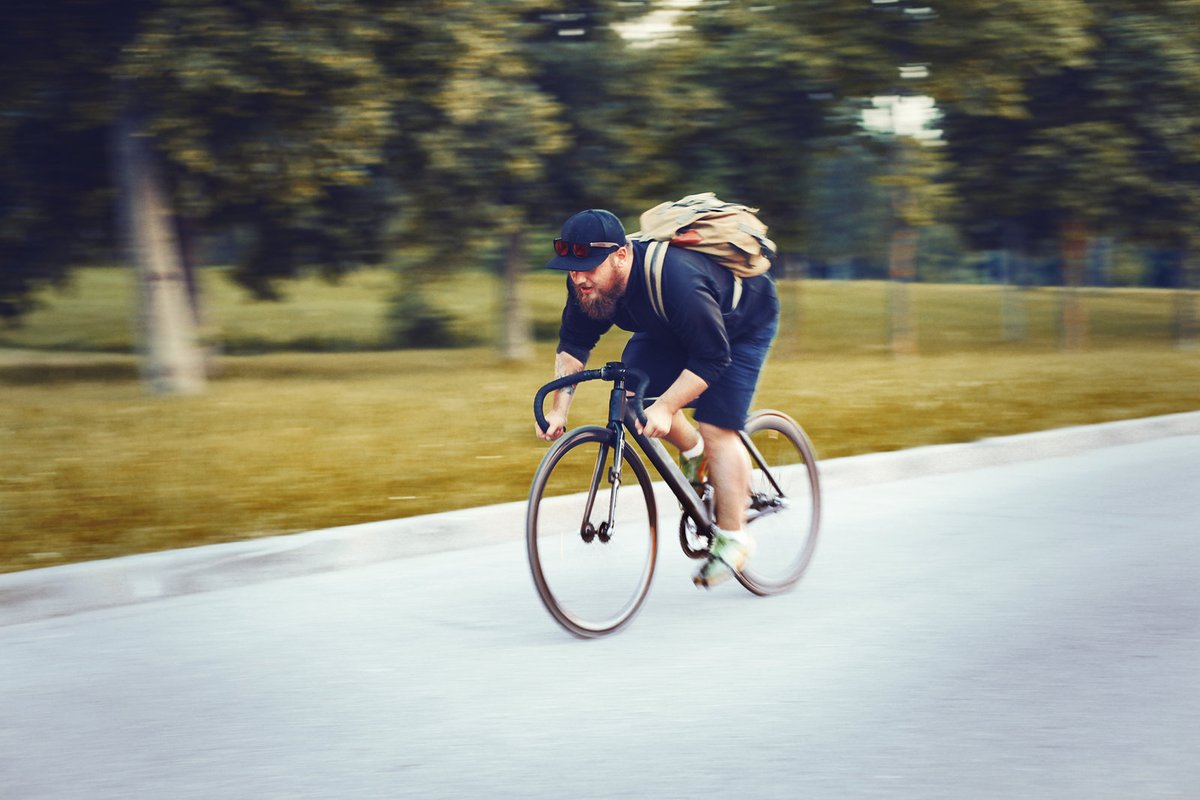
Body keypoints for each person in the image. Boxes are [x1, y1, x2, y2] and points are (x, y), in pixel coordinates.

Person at [535, 208, 780, 588]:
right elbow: (573, 344)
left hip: (740, 324)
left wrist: (667, 406)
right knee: (632, 398)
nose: (579, 278)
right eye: (571, 268)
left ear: (621, 255)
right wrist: (558, 409)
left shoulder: (676, 279)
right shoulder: (587, 282)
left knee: (716, 424)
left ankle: (734, 538)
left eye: (588, 267)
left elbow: (713, 358)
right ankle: (697, 456)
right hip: (668, 326)